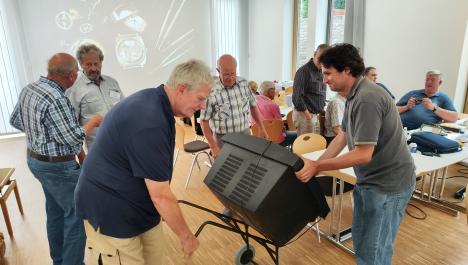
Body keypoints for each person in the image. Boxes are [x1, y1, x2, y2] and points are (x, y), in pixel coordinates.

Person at [75, 59, 214, 264]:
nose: (203, 106)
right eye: (200, 98)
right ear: (182, 89)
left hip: (139, 206)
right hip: (111, 210)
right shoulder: (149, 120)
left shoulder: (157, 102)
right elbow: (161, 195)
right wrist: (186, 236)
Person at [296, 44, 416, 265]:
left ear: (347, 70)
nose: (324, 80)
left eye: (328, 73)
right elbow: (342, 136)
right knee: (363, 245)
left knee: (374, 252)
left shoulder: (367, 98)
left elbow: (362, 154)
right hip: (370, 181)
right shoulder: (352, 95)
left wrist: (318, 167)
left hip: (389, 186)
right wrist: (316, 165)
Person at [10, 53, 102, 265]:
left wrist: (42, 135)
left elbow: (15, 120)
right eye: (77, 72)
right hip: (58, 168)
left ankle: (58, 260)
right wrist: (94, 121)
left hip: (36, 162)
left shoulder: (29, 89)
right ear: (70, 75)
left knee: (56, 212)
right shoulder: (57, 98)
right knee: (76, 217)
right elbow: (73, 138)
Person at [200, 54, 267, 158]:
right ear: (218, 71)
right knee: (226, 171)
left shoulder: (244, 83)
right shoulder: (211, 90)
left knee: (247, 166)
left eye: (233, 73)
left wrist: (261, 127)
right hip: (223, 139)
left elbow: (253, 106)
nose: (231, 78)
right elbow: (204, 121)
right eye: (226, 74)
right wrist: (213, 146)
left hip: (245, 135)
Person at [66, 43, 124, 152]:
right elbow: (72, 129)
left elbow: (124, 109)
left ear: (101, 63)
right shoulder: (74, 89)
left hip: (123, 143)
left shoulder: (112, 82)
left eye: (96, 64)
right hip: (99, 149)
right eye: (88, 64)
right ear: (81, 64)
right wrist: (81, 155)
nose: (93, 68)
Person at [292, 44, 330, 135]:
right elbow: (297, 98)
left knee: (315, 146)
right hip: (305, 116)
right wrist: (308, 117)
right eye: (320, 60)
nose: (322, 64)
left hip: (315, 115)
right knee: (305, 147)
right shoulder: (304, 71)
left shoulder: (321, 72)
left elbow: (320, 92)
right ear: (314, 54)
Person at [256, 81, 297, 146]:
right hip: (275, 141)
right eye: (274, 89)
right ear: (270, 91)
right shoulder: (273, 106)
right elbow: (281, 128)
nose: (275, 92)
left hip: (260, 139)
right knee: (297, 134)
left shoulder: (253, 102)